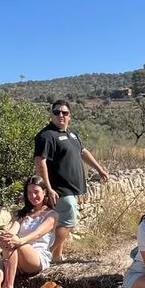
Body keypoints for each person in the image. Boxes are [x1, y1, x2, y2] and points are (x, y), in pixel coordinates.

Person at [33, 100, 109, 263]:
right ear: (51, 115)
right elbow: (40, 162)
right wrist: (48, 187)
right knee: (70, 218)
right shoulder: (46, 136)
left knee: (59, 222)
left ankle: (56, 257)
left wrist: (100, 169)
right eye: (57, 112)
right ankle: (45, 254)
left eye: (64, 113)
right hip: (59, 189)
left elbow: (83, 152)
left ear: (70, 116)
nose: (61, 115)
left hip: (70, 188)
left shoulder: (72, 135)